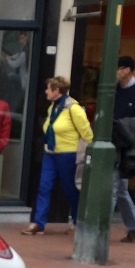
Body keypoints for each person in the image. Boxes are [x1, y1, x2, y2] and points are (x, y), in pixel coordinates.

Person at [24, 77, 91, 235]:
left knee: (70, 190)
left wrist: (86, 153)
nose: (46, 91)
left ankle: (76, 221)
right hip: (50, 152)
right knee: (43, 187)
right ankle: (39, 223)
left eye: (48, 89)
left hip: (68, 154)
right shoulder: (52, 108)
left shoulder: (73, 108)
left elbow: (87, 133)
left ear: (56, 91)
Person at [112, 56, 135, 242]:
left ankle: (99, 229)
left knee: (114, 186)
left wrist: (123, 128)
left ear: (127, 70)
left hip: (128, 146)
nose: (115, 73)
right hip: (113, 144)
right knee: (120, 188)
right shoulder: (114, 90)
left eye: (117, 68)